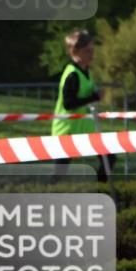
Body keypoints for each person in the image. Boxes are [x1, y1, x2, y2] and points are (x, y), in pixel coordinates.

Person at [52, 29, 115, 181]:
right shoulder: (72, 74)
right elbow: (68, 104)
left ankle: (101, 189)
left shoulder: (87, 71)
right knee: (60, 172)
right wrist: (94, 97)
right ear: (75, 51)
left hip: (84, 129)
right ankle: (47, 192)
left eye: (92, 50)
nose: (92, 54)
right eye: (87, 51)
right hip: (67, 129)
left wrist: (94, 95)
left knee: (109, 158)